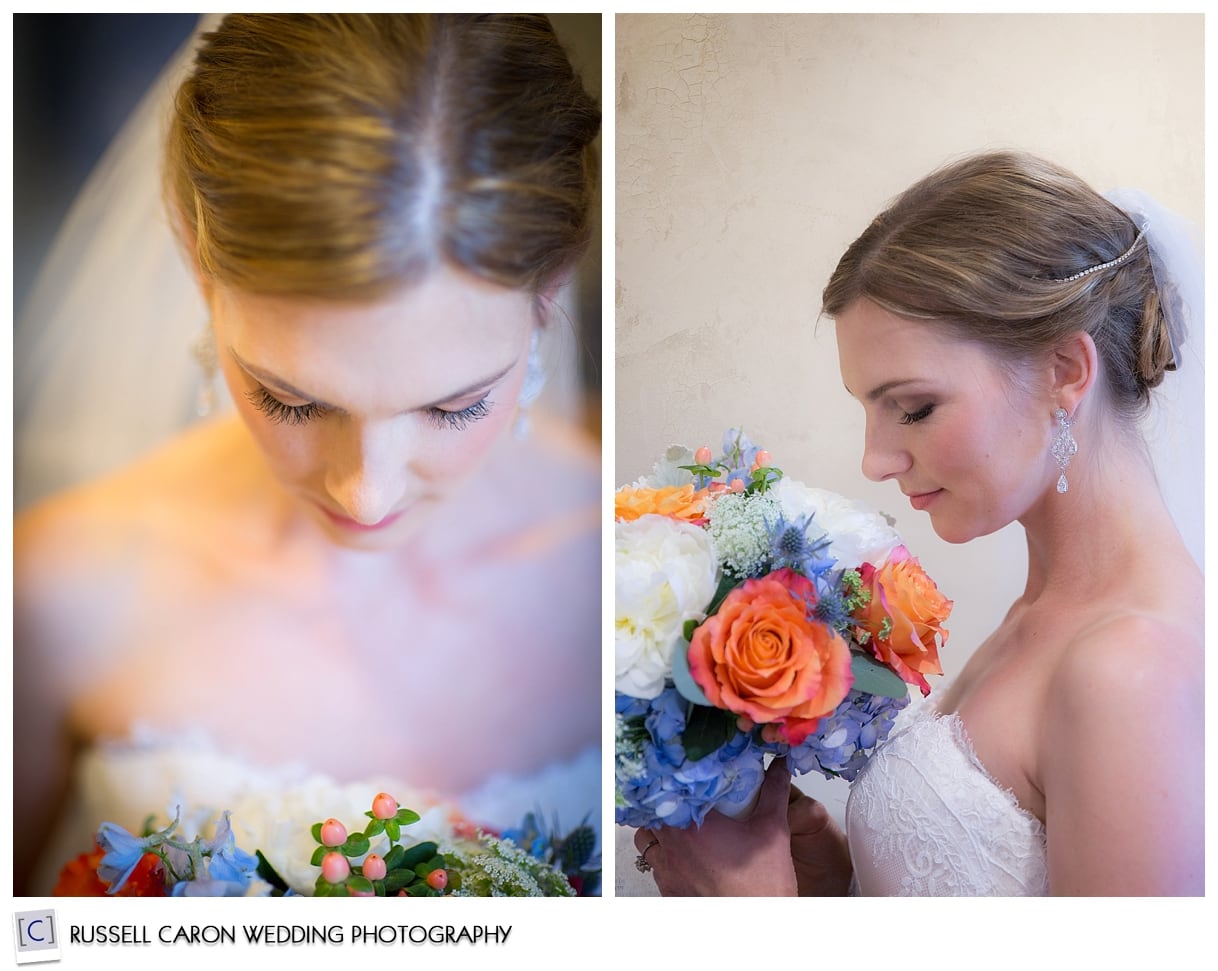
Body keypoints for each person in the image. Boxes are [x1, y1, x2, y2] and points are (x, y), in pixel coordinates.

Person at [14, 13, 601, 896]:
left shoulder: (624, 566)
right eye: (291, 399)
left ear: (551, 288)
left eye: (454, 406)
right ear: (195, 254)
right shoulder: (58, 591)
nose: (366, 494)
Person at [632, 151, 1203, 896]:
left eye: (915, 408)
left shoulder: (1130, 672)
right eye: (868, 409)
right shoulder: (1046, 613)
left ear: (1065, 370)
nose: (875, 460)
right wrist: (837, 879)